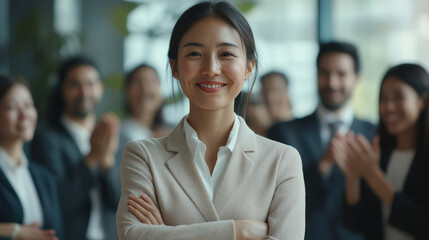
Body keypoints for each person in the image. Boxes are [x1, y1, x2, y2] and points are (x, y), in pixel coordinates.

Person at [116, 2, 305, 240]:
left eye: (226, 54)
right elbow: (134, 235)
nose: (211, 68)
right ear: (174, 67)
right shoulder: (143, 156)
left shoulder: (281, 161)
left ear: (249, 67)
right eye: (195, 54)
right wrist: (238, 231)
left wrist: (166, 233)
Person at [267, 41, 375, 240]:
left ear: (357, 78)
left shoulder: (375, 135)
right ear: (316, 76)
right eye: (324, 73)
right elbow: (273, 200)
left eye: (341, 74)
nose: (332, 83)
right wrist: (323, 164)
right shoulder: (283, 133)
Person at [334, 63, 429, 239]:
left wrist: (373, 176)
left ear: (422, 101)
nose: (388, 107)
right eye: (383, 99)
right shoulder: (379, 155)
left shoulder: (373, 166)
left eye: (399, 97)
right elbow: (355, 223)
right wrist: (352, 177)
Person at [30, 56, 120, 240]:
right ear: (62, 89)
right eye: (75, 84)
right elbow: (56, 203)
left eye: (91, 83)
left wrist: (107, 163)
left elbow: (122, 201)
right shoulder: (47, 139)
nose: (84, 91)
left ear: (100, 88)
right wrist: (93, 157)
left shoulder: (108, 133)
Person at [0, 75, 62, 240]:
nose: (24, 115)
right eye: (12, 107)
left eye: (28, 105)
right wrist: (14, 231)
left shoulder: (44, 178)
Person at [118, 63, 170, 158]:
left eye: (151, 81)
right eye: (137, 82)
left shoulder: (172, 133)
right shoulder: (117, 138)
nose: (144, 88)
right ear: (127, 92)